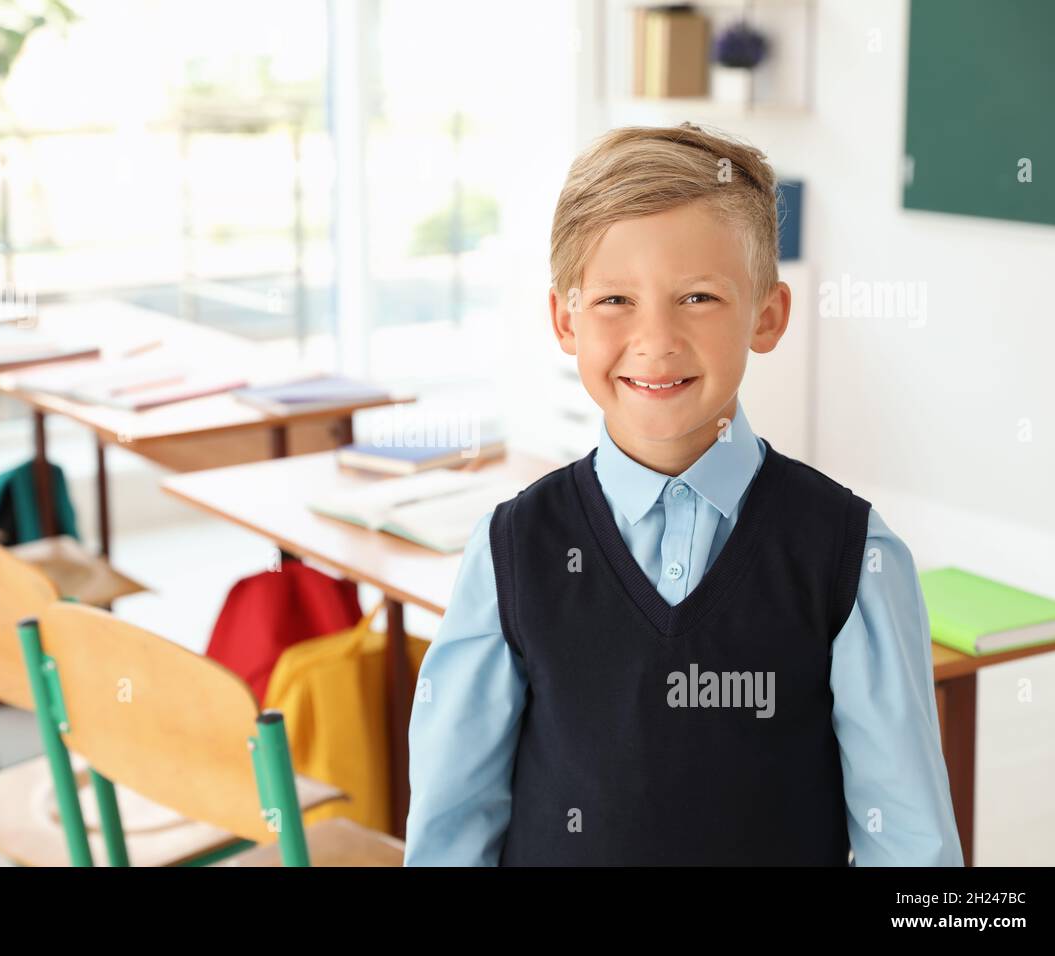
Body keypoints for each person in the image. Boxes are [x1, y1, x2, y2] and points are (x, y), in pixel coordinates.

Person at [404, 124, 962, 866]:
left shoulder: (851, 558)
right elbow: (451, 828)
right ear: (565, 319)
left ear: (767, 315)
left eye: (698, 297)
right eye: (614, 300)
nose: (655, 338)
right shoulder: (509, 551)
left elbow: (910, 845)